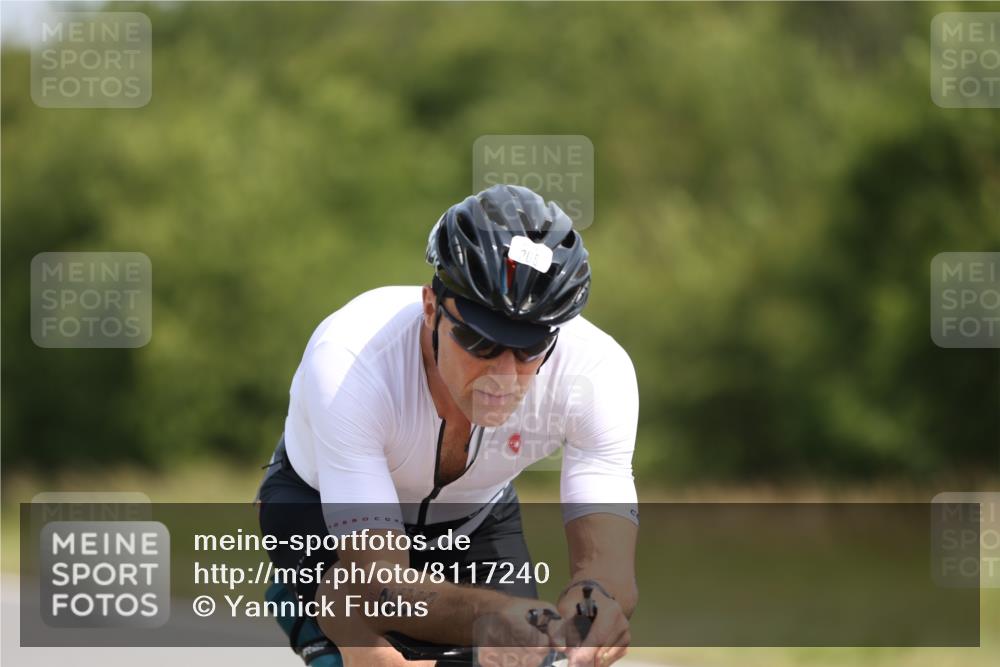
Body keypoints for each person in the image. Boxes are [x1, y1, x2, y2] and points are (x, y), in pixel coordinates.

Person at [257, 184, 639, 667]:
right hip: (319, 513)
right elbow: (380, 587)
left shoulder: (597, 370)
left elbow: (608, 565)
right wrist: (498, 614)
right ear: (432, 309)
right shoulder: (351, 360)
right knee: (377, 654)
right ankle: (307, 607)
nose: (503, 375)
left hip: (474, 516)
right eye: (480, 341)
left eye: (528, 349)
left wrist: (594, 605)